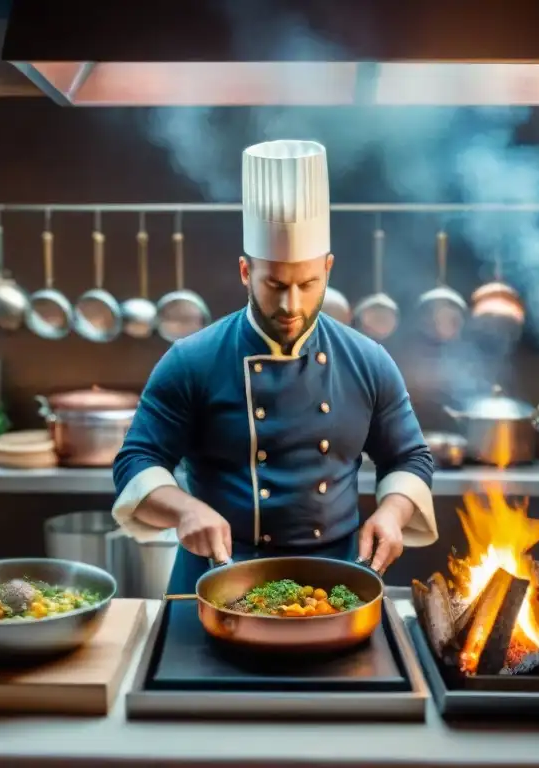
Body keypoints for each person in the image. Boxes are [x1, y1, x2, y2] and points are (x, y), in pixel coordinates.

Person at [112, 139, 437, 594]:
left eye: (308, 284)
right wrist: (184, 509)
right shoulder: (192, 360)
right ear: (246, 271)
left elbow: (408, 456)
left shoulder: (367, 360)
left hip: (337, 584)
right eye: (274, 284)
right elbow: (136, 460)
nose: (291, 304)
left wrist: (392, 511)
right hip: (216, 579)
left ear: (328, 268)